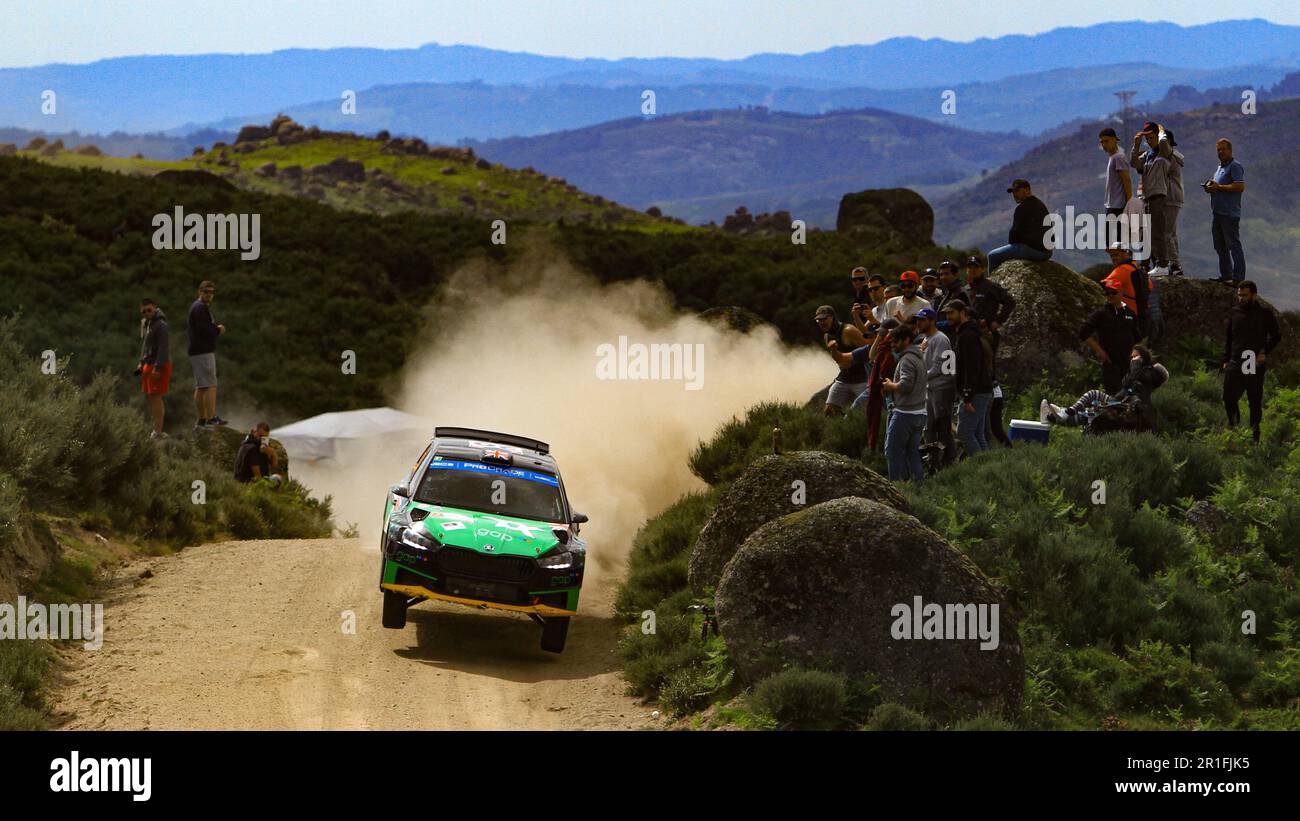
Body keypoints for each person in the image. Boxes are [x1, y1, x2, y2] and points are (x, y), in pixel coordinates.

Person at [1043, 345, 1168, 433]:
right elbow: (1126, 385)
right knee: (1090, 413)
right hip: (1119, 402)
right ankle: (1053, 418)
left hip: (1126, 407)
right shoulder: (1136, 372)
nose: (1132, 360)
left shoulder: (1147, 374)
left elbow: (1132, 385)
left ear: (1142, 359)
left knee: (1093, 394)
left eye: (1135, 357)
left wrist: (1136, 366)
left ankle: (1066, 412)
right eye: (1131, 357)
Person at [1222, 281, 1281, 442]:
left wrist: (1264, 352)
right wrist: (1226, 359)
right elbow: (1229, 338)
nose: (1241, 298)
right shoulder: (1234, 312)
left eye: (1244, 295)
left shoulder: (1264, 313)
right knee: (1228, 397)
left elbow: (1276, 336)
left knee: (1254, 399)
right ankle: (1234, 426)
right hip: (1235, 360)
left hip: (1252, 361)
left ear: (1254, 295)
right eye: (1239, 295)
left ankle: (1254, 435)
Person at [881, 324, 928, 483]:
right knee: (912, 452)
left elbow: (906, 385)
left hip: (905, 414)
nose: (893, 345)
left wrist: (890, 386)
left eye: (895, 341)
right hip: (919, 413)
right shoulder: (918, 356)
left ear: (906, 340)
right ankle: (918, 488)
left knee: (892, 452)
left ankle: (896, 490)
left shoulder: (907, 360)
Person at [947, 300, 994, 456]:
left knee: (965, 433)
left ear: (963, 313)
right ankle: (989, 469)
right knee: (977, 434)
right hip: (981, 390)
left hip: (976, 392)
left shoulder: (967, 335)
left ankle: (984, 469)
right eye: (947, 313)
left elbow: (971, 367)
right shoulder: (967, 333)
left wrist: (967, 397)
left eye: (952, 313)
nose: (949, 316)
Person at [1079, 281, 1141, 394]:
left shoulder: (1130, 313)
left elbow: (1137, 338)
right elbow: (1083, 332)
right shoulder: (1101, 313)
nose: (1110, 295)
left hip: (1129, 365)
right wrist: (1099, 351)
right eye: (1107, 293)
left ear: (1122, 292)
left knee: (1132, 397)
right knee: (1114, 398)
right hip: (1112, 364)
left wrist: (1137, 357)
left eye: (1114, 292)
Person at [1130, 122, 1171, 275]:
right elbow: (1134, 163)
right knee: (1147, 232)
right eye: (1148, 139)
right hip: (1147, 197)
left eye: (1152, 137)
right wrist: (1136, 145)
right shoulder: (1147, 155)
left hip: (1158, 195)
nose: (1150, 141)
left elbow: (1164, 144)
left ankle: (1163, 264)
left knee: (1158, 231)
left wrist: (1161, 131)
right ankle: (1152, 263)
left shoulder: (1164, 152)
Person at [917, 307, 955, 468]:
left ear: (932, 321)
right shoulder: (926, 339)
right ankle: (933, 460)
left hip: (941, 388)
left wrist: (920, 377)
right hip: (930, 388)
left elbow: (941, 367)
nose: (919, 323)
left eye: (922, 320)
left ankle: (947, 462)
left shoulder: (940, 339)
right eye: (918, 320)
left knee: (942, 426)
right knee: (929, 426)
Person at [986, 179, 1052, 272]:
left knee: (992, 256)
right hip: (1047, 253)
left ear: (1027, 190)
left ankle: (991, 285)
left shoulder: (1021, 208)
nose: (1014, 194)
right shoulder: (1040, 204)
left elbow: (1013, 237)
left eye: (1017, 191)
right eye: (1013, 192)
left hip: (1035, 252)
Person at [188, 280, 228, 428]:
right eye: (206, 292)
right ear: (200, 292)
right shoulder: (200, 308)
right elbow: (203, 330)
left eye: (212, 292)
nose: (209, 295)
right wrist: (218, 330)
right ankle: (211, 417)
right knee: (211, 384)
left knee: (201, 386)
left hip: (196, 351)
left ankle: (202, 419)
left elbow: (201, 328)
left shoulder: (197, 307)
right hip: (203, 350)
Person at [816, 305, 869, 417]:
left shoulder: (848, 330)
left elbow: (869, 351)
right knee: (829, 411)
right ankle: (842, 429)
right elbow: (838, 360)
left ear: (833, 317)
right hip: (844, 378)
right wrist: (834, 351)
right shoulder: (827, 336)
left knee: (867, 412)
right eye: (819, 320)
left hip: (862, 378)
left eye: (824, 319)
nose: (821, 322)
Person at [1206, 139, 1246, 283]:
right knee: (1220, 246)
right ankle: (1226, 276)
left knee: (1234, 246)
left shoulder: (1235, 166)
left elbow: (1239, 186)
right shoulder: (1219, 168)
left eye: (1223, 149)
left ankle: (1238, 278)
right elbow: (1219, 187)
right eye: (1218, 150)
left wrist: (1218, 188)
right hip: (1217, 213)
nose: (1221, 152)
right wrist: (1211, 188)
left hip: (1229, 214)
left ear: (1230, 150)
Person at [135, 298, 171, 439]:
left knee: (156, 397)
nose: (146, 313)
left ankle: (158, 431)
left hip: (158, 364)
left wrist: (158, 367)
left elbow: (163, 347)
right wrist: (140, 362)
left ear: (155, 308)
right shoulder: (147, 324)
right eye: (143, 311)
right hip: (147, 364)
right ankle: (156, 429)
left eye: (149, 310)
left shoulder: (161, 325)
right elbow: (145, 345)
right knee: (150, 397)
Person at [1100, 242, 1151, 336]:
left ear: (1127, 253)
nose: (1113, 258)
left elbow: (1106, 286)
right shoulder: (1139, 269)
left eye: (1116, 254)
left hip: (1128, 318)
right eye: (1111, 256)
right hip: (1144, 317)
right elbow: (1150, 288)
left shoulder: (1122, 269)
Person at [1099, 127, 1134, 249]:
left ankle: (1124, 266)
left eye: (1106, 141)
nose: (1104, 144)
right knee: (1111, 243)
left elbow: (1126, 179)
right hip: (1112, 205)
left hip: (1118, 206)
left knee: (1117, 243)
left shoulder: (1119, 157)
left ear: (1115, 140)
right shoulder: (1113, 157)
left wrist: (1129, 203)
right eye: (1102, 142)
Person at [934, 260, 969, 342]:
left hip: (955, 339)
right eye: (941, 274)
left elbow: (956, 320)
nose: (943, 277)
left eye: (946, 274)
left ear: (955, 275)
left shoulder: (960, 293)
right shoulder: (948, 292)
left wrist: (934, 325)